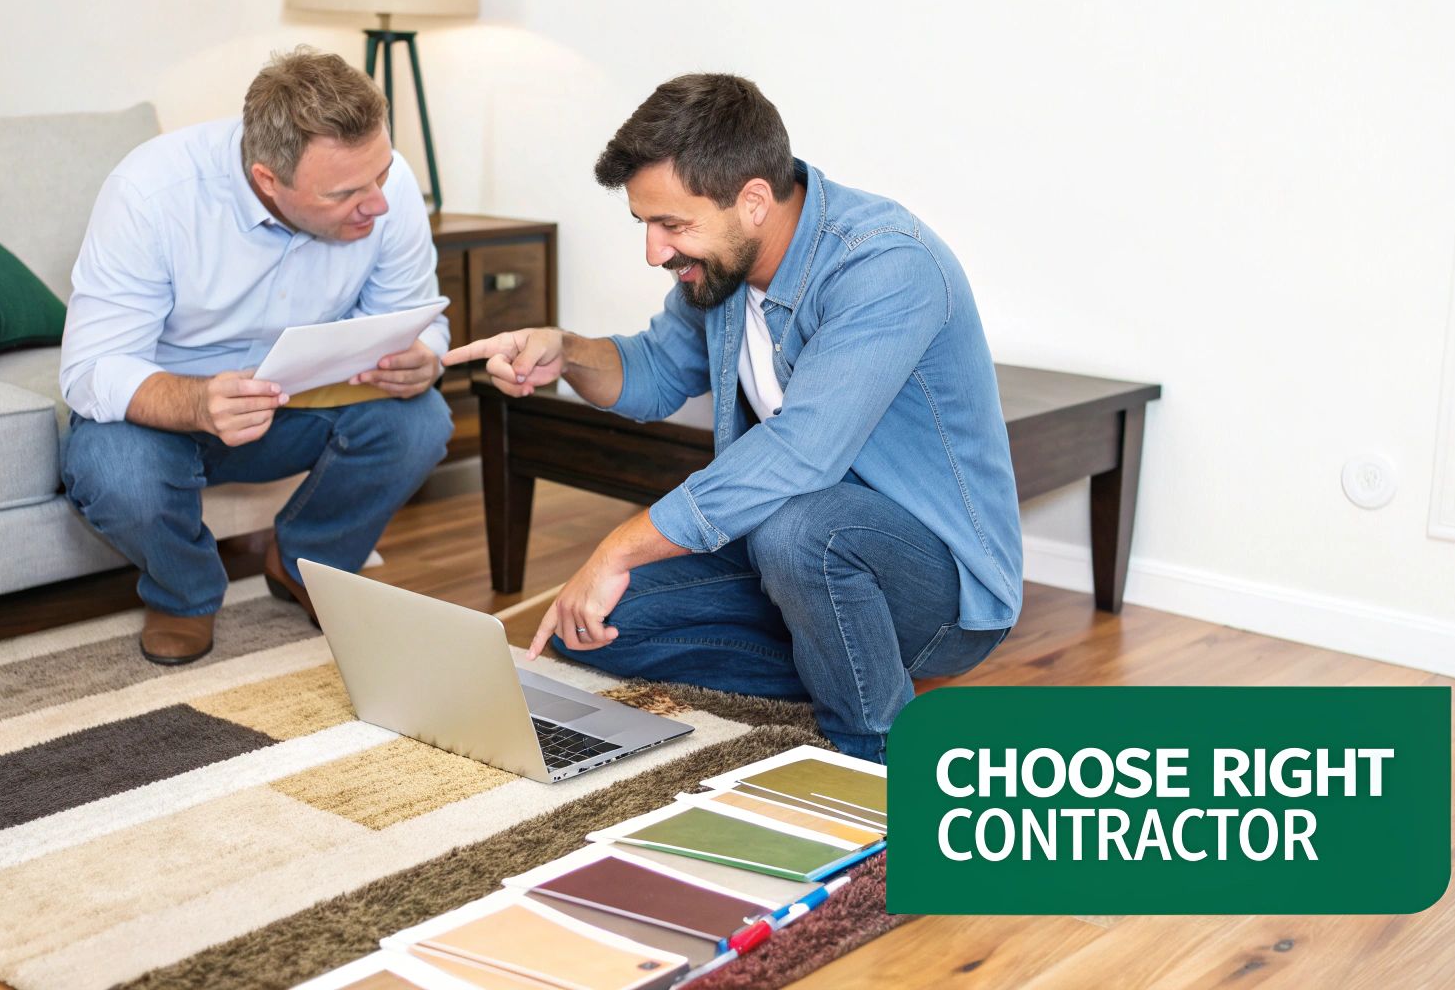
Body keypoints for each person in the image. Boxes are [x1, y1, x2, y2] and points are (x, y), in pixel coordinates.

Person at [443, 74, 1022, 761]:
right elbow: (652, 373)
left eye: (673, 225)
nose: (654, 252)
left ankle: (872, 754)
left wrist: (618, 546)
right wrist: (563, 353)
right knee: (592, 626)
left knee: (799, 527)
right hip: (790, 559)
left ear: (752, 200)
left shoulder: (886, 263)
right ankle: (837, 663)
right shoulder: (718, 272)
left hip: (938, 593)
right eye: (646, 224)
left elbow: (801, 454)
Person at [60, 48, 453, 665]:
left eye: (381, 175)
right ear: (269, 178)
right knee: (111, 470)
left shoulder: (384, 184)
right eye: (348, 192)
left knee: (421, 419)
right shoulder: (151, 194)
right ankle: (183, 593)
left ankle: (306, 563)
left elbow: (417, 313)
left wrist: (423, 357)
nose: (378, 203)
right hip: (171, 415)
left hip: (302, 403)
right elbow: (91, 370)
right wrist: (196, 400)